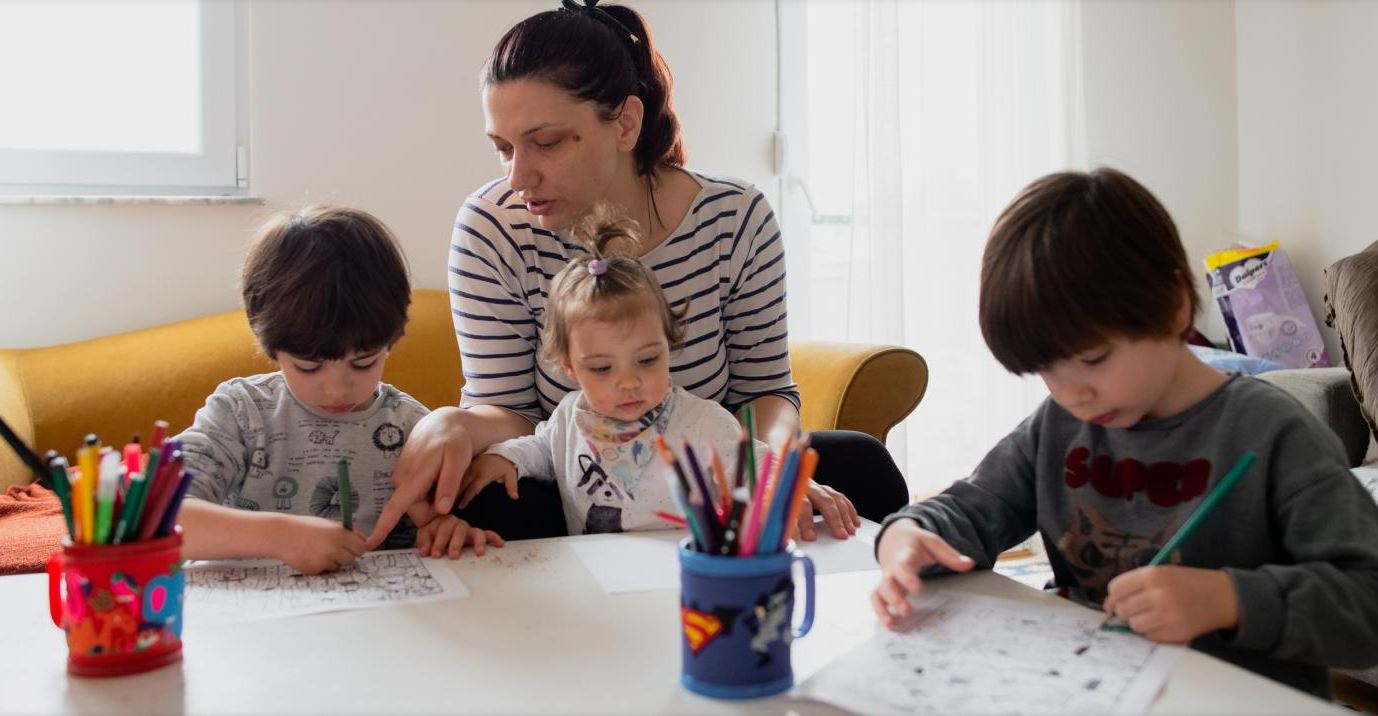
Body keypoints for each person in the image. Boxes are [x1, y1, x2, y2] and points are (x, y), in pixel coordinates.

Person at [367, 0, 907, 549]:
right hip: (582, 483)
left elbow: (765, 393)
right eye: (504, 148)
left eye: (547, 142)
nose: (518, 175)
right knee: (492, 501)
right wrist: (455, 425)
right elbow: (508, 409)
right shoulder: (492, 226)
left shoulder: (735, 217)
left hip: (714, 478)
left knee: (861, 465)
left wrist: (777, 470)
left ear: (625, 122)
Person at [871, 167, 1378, 698]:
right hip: (1087, 686)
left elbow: (1367, 605)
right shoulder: (1060, 425)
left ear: (1175, 304)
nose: (1073, 394)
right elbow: (973, 508)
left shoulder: (1272, 434)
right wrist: (907, 536)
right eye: (1048, 369)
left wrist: (1226, 598)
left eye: (1093, 359)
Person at [177, 205, 503, 575]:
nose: (337, 389)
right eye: (309, 366)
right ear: (268, 343)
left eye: (364, 363)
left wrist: (442, 530)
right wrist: (279, 536)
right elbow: (158, 517)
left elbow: (432, 528)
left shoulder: (413, 429)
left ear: (392, 341)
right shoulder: (240, 414)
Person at [460, 208, 764, 535]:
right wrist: (505, 456)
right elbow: (540, 451)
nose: (629, 382)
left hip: (681, 574)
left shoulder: (703, 423)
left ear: (669, 343)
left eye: (647, 360)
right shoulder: (568, 419)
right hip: (595, 578)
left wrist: (773, 482)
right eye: (602, 368)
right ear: (569, 367)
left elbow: (755, 461)